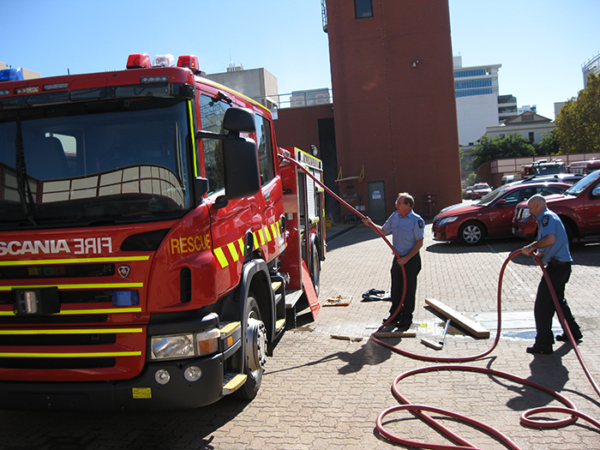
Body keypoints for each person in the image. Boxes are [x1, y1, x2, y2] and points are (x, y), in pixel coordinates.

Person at [521, 194, 582, 355]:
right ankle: (573, 333)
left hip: (557, 267)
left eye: (530, 208)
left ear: (537, 206)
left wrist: (532, 246)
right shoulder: (548, 218)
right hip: (561, 265)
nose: (530, 212)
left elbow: (550, 239)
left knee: (542, 305)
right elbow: (551, 242)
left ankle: (544, 343)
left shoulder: (546, 217)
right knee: (557, 301)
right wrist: (542, 254)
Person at [362, 192, 425, 332]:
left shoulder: (416, 220)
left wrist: (406, 259)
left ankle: (406, 318)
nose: (396, 205)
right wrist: (370, 224)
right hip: (398, 259)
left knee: (408, 290)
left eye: (399, 203)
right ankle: (394, 315)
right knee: (396, 289)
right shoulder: (395, 216)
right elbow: (383, 231)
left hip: (411, 259)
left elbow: (419, 243)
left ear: (408, 205)